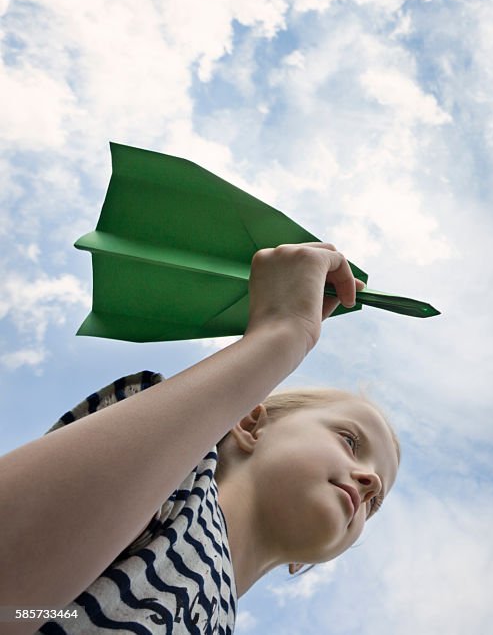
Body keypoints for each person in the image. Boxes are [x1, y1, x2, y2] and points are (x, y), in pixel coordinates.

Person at [0, 243, 400, 634]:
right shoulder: (174, 470)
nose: (372, 483)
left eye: (376, 504)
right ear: (249, 424)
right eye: (350, 441)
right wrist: (282, 334)